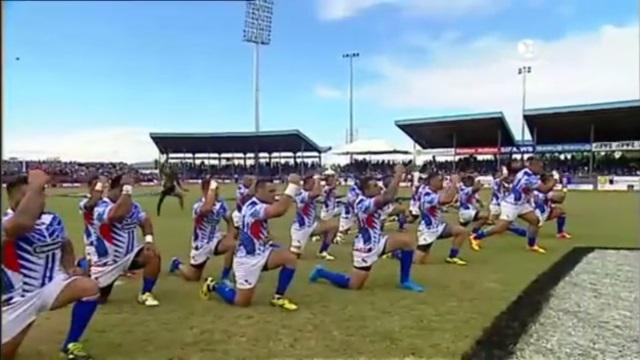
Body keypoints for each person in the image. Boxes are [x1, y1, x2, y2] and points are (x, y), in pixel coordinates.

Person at [2, 170, 100, 360]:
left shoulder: (52, 220)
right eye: (26, 196)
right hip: (18, 299)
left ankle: (70, 344)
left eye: (37, 195)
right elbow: (22, 223)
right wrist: (36, 185)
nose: (34, 200)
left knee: (89, 288)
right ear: (12, 201)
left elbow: (65, 243)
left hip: (52, 286)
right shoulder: (7, 224)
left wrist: (69, 266)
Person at [309, 165, 424, 292]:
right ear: (366, 191)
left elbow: (389, 202)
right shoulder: (363, 204)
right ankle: (322, 272)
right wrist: (398, 175)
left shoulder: (370, 199)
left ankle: (405, 280)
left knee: (407, 242)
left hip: (378, 241)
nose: (379, 187)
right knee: (354, 285)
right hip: (365, 248)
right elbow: (387, 197)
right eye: (375, 186)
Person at [202, 175, 301, 310]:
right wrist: (293, 186)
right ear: (259, 191)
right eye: (271, 192)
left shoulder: (258, 201)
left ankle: (278, 297)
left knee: (290, 258)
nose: (274, 195)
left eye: (275, 191)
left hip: (262, 252)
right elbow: (279, 210)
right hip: (246, 260)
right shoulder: (253, 208)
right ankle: (213, 285)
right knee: (241, 302)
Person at [91, 174, 162, 306]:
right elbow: (116, 215)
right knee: (99, 299)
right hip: (108, 263)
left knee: (153, 255)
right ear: (114, 188)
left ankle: (146, 293)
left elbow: (145, 220)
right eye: (122, 190)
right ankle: (83, 268)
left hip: (130, 256)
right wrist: (127, 191)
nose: (127, 195)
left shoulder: (133, 206)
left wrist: (148, 240)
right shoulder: (100, 207)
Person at [470, 157, 556, 253]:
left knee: (535, 220)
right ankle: (476, 237)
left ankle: (531, 245)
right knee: (501, 227)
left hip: (521, 204)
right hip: (511, 205)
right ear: (532, 166)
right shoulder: (529, 178)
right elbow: (545, 189)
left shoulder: (525, 171)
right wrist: (555, 180)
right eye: (540, 167)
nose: (541, 169)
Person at [169, 177, 236, 286]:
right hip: (201, 244)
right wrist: (212, 190)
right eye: (215, 189)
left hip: (215, 239)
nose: (217, 192)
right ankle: (177, 264)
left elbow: (230, 220)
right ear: (206, 190)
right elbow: (207, 208)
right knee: (193, 277)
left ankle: (225, 277)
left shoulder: (221, 204)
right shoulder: (198, 205)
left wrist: (230, 235)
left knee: (233, 244)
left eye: (217, 189)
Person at [413, 173, 469, 265]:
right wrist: (454, 183)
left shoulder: (432, 190)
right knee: (417, 261)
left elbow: (444, 194)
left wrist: (451, 185)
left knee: (461, 231)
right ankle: (394, 253)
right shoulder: (427, 194)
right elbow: (446, 199)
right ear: (431, 181)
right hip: (428, 230)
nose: (442, 183)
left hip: (439, 226)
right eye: (439, 181)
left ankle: (452, 257)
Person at [290, 174, 339, 260]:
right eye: (312, 183)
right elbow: (316, 193)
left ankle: (322, 252)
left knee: (333, 226)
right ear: (306, 185)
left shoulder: (309, 193)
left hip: (312, 225)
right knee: (294, 256)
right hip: (300, 229)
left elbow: (321, 192)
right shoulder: (301, 194)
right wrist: (317, 179)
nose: (314, 185)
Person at [76, 175, 108, 272]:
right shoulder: (85, 202)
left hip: (108, 240)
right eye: (96, 186)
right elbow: (90, 205)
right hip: (93, 241)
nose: (100, 188)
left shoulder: (106, 202)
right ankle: (81, 264)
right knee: (93, 270)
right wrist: (99, 186)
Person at [533, 174, 572, 239]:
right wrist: (564, 189)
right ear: (546, 181)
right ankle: (560, 233)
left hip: (532, 214)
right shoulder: (546, 191)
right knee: (561, 212)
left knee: (560, 211)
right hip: (542, 214)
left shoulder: (536, 189)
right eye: (550, 180)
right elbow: (560, 200)